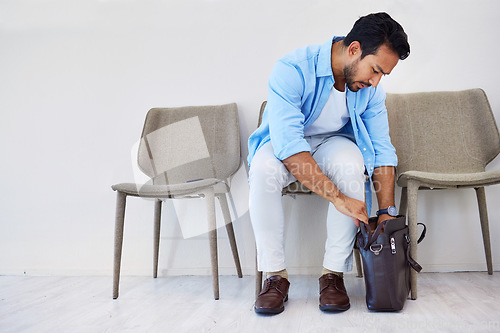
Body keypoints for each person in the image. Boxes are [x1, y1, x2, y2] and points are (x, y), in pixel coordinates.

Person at [247, 12, 410, 315]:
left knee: (352, 163)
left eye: (381, 76)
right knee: (262, 170)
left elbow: (383, 149)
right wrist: (339, 199)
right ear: (354, 50)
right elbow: (290, 146)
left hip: (332, 143)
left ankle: (333, 275)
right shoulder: (291, 69)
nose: (375, 81)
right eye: (375, 70)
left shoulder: (371, 90)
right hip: (285, 144)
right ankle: (274, 277)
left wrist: (386, 213)